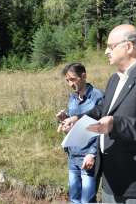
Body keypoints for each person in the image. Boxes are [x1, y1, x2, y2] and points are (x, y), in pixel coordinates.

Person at [59, 24, 136, 203]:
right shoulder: (114, 79)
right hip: (110, 176)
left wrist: (115, 124)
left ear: (128, 47)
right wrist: (77, 118)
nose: (106, 51)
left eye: (110, 46)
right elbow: (103, 108)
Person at [56, 63, 104, 203]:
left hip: (88, 157)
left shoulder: (98, 97)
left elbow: (102, 128)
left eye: (72, 79)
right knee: (74, 199)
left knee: (86, 200)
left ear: (83, 76)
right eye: (67, 80)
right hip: (73, 156)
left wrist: (92, 153)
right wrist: (65, 121)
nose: (70, 84)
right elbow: (76, 126)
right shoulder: (72, 99)